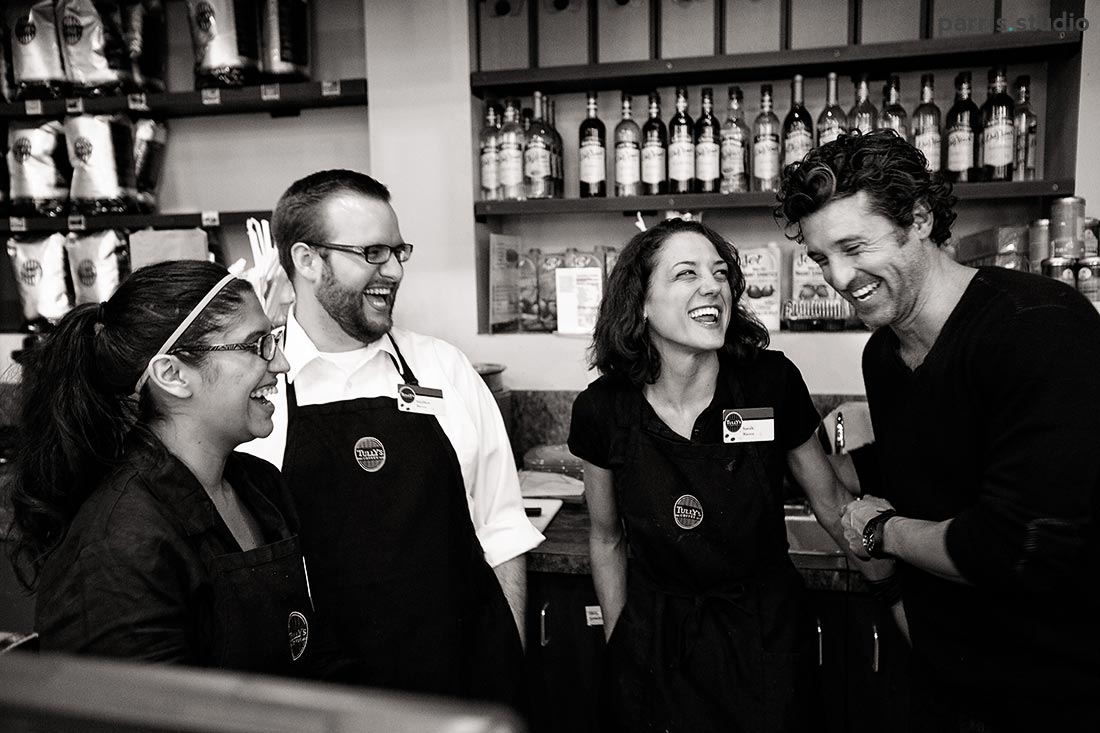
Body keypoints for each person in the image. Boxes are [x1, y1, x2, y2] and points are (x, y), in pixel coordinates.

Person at [775, 130, 1100, 731]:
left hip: (1054, 692)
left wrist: (880, 532)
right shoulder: (884, 354)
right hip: (944, 681)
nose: (839, 278)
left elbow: (1009, 548)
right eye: (822, 258)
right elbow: (923, 471)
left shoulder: (1040, 327)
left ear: (919, 218)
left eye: (853, 246)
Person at [240, 169, 542, 705]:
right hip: (331, 703)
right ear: (308, 260)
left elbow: (501, 529)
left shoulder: (444, 369)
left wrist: (507, 661)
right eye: (374, 253)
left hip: (467, 690)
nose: (396, 270)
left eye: (399, 251)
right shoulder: (255, 391)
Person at [567, 217, 877, 732]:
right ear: (640, 302)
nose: (712, 285)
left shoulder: (769, 382)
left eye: (719, 273)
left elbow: (830, 502)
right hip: (656, 639)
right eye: (686, 273)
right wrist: (623, 641)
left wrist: (893, 592)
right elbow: (605, 537)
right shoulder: (602, 410)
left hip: (763, 637)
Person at [5, 260, 348, 678]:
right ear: (172, 373)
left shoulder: (261, 487)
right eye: (257, 344)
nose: (281, 364)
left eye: (274, 340)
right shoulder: (119, 545)